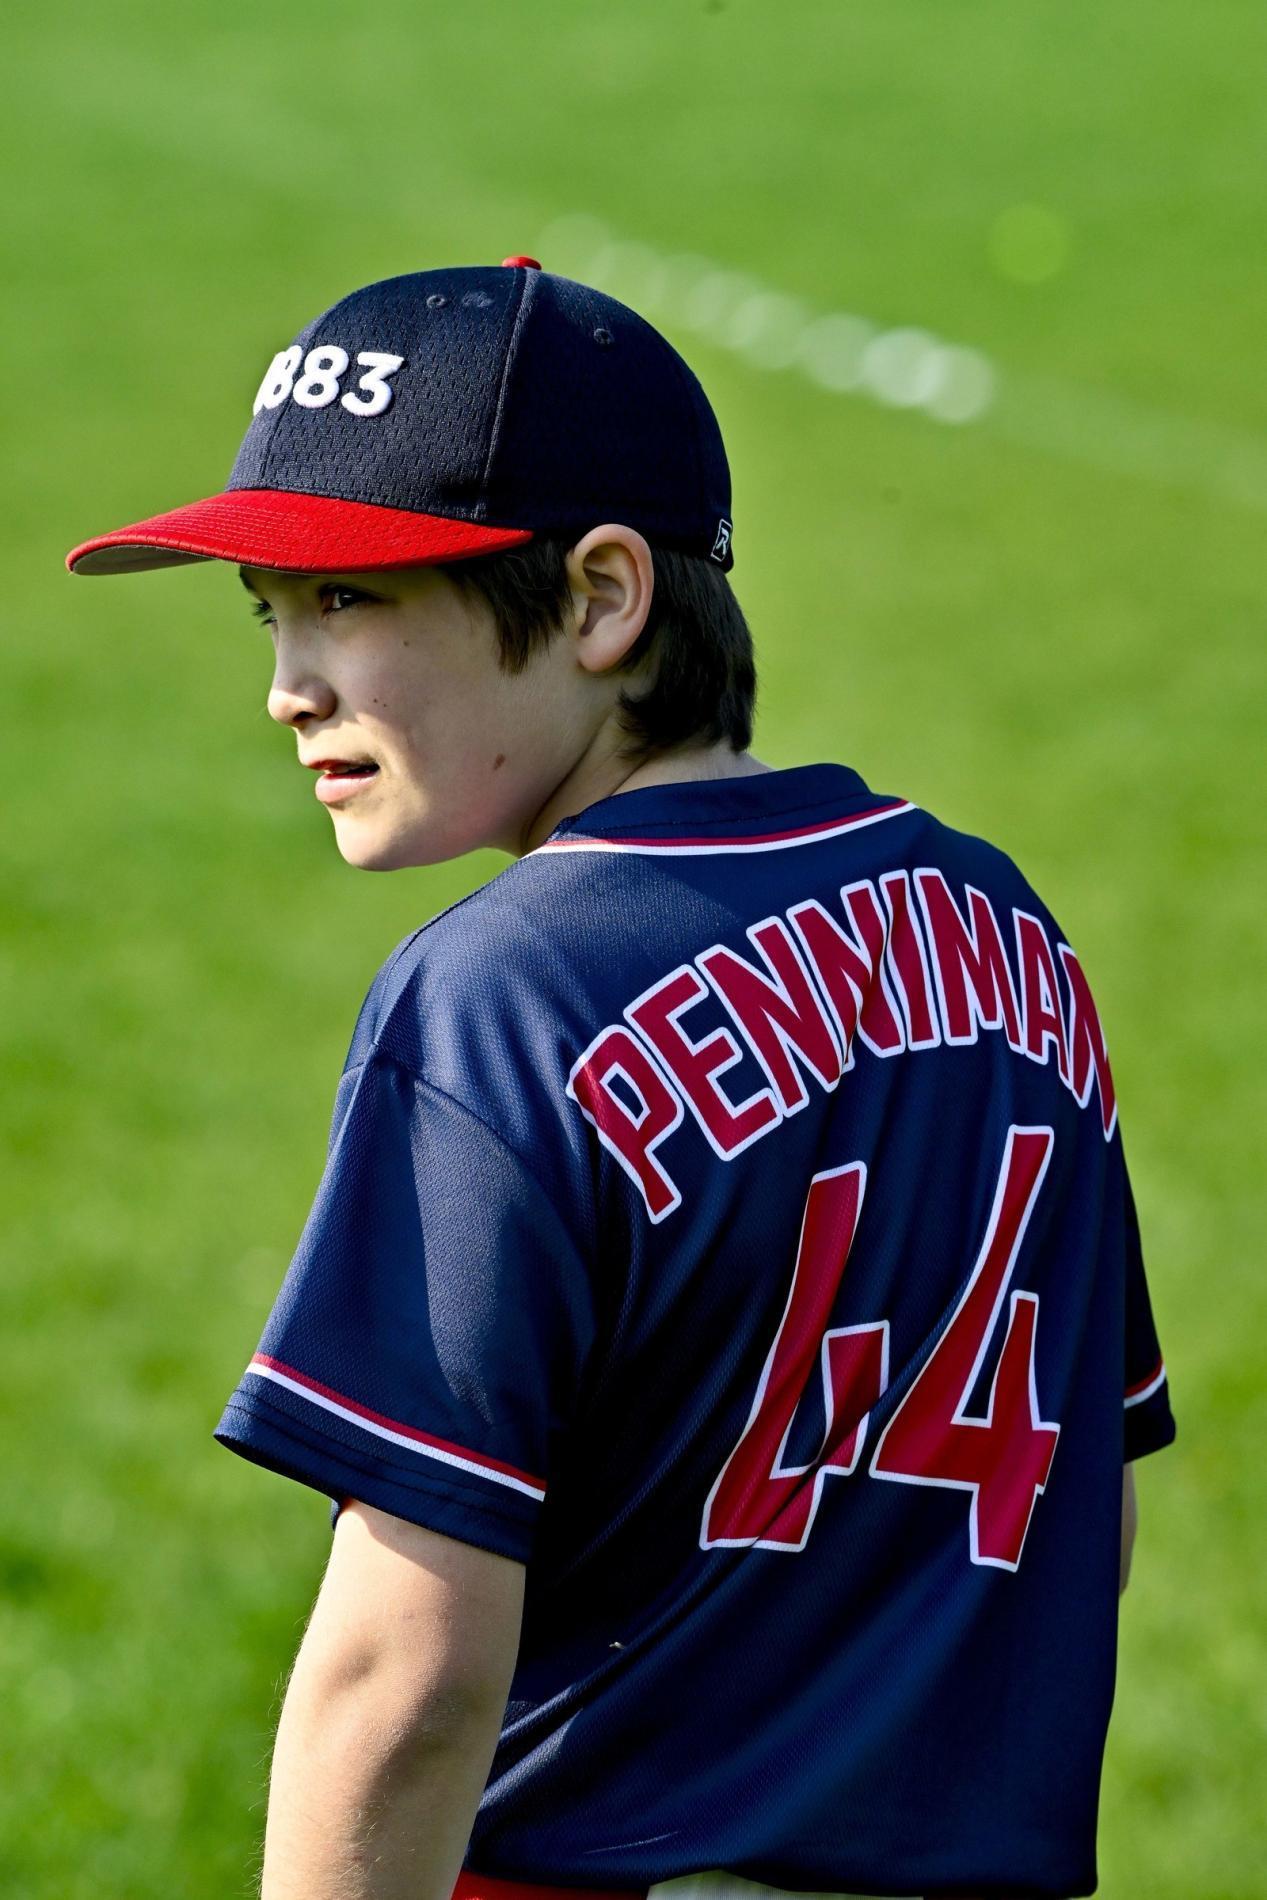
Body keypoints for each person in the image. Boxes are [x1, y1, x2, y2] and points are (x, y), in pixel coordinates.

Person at [66, 256, 1175, 1900]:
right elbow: (1094, 1513)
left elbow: (404, 1675)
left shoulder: (508, 994)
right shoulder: (998, 928)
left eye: (350, 599)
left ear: (600, 599)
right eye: (271, 610)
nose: (289, 685)